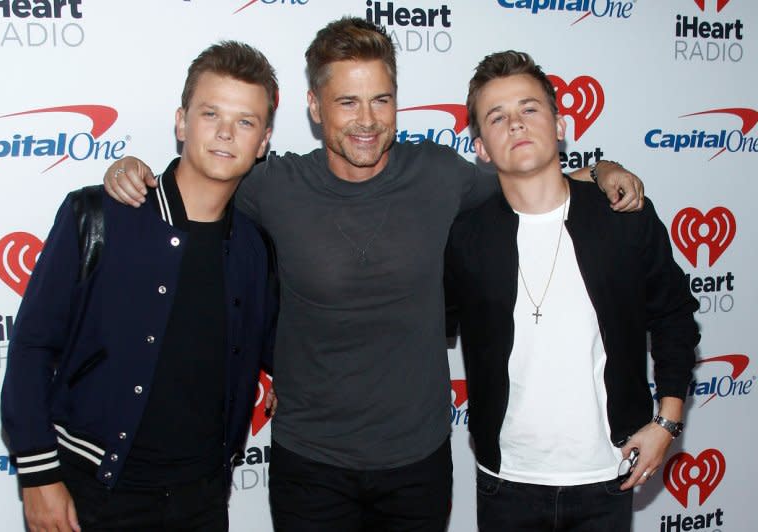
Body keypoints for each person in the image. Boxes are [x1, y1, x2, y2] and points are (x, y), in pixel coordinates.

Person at [103, 18, 644, 531]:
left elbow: (529, 175)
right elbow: (201, 181)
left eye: (381, 100)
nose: (367, 120)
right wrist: (131, 171)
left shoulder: (438, 174)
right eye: (347, 102)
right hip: (309, 465)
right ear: (315, 107)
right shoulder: (273, 185)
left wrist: (600, 169)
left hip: (417, 463)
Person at [0, 41, 278, 531]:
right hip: (94, 493)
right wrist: (38, 475)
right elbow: (31, 347)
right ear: (181, 121)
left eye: (245, 121)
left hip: (203, 499)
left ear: (263, 141)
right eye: (210, 112)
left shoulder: (256, 248)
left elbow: (281, 348)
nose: (225, 133)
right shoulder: (100, 214)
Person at [444, 50, 700, 532]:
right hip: (506, 481)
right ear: (480, 147)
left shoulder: (624, 217)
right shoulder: (465, 238)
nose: (516, 124)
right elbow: (418, 328)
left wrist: (666, 422)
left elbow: (674, 317)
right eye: (497, 117)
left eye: (529, 109)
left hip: (609, 473)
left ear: (561, 125)